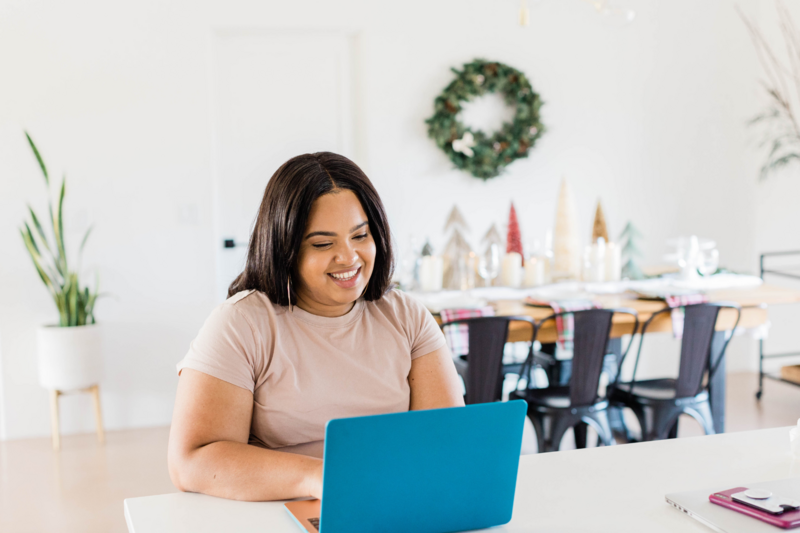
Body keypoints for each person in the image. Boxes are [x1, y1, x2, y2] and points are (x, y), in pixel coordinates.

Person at [167, 152, 464, 502]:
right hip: (285, 508)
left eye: (360, 235)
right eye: (323, 243)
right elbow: (192, 461)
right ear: (285, 249)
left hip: (388, 502)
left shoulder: (407, 317)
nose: (349, 257)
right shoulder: (241, 324)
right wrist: (322, 478)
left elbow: (446, 442)